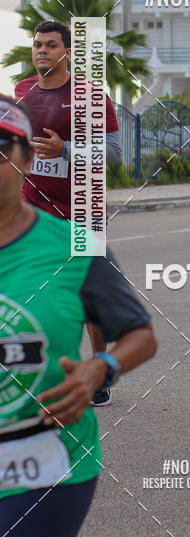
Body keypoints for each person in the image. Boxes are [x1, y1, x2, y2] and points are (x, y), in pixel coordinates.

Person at [0, 96, 156, 537]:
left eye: (1, 147)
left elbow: (139, 333)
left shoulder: (75, 246)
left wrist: (99, 367)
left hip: (41, 465)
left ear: (27, 159)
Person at [14, 20, 122, 405]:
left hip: (83, 207)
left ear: (68, 52)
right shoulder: (22, 91)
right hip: (33, 207)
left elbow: (114, 153)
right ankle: (45, 368)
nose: (42, 51)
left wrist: (67, 151)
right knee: (33, 289)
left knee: (86, 293)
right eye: (37, 45)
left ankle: (99, 371)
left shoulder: (90, 95)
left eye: (50, 45)